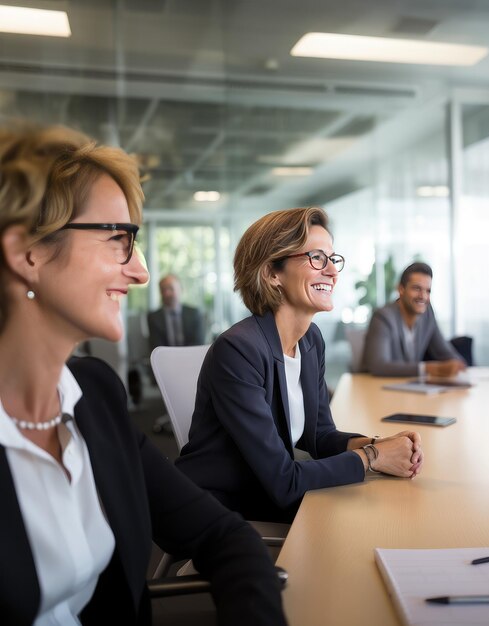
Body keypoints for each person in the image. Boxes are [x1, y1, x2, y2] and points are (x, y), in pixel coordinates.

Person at [0, 123, 287, 625]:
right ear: (28, 253)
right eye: (118, 240)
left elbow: (222, 535)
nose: (140, 273)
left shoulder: (95, 396)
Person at [176, 207, 424, 523]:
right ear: (271, 273)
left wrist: (382, 445)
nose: (333, 272)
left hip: (270, 492)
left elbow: (319, 436)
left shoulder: (310, 340)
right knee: (370, 519)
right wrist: (373, 458)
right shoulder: (238, 351)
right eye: (316, 258)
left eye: (333, 259)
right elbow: (284, 481)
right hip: (226, 508)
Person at [361, 262, 466, 377]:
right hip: (374, 388)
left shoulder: (427, 314)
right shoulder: (383, 317)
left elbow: (444, 351)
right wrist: (427, 369)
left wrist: (457, 364)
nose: (423, 296)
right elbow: (379, 366)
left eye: (428, 291)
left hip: (409, 387)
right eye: (417, 288)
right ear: (400, 289)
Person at [148, 274, 204, 350]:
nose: (167, 293)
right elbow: (156, 347)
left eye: (170, 288)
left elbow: (199, 344)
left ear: (181, 289)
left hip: (191, 357)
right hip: (165, 359)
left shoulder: (194, 314)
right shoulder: (153, 318)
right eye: (163, 289)